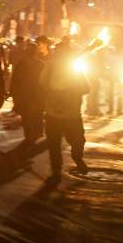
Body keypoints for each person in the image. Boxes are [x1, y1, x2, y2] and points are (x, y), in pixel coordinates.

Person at [39, 36, 89, 185]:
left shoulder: (72, 68)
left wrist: (66, 91)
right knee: (58, 143)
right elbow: (42, 83)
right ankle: (60, 168)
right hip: (60, 114)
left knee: (69, 142)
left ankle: (71, 161)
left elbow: (86, 87)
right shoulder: (53, 66)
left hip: (66, 113)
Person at [11, 40, 46, 144]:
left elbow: (15, 80)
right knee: (29, 115)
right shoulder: (25, 64)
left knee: (31, 115)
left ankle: (32, 134)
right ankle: (32, 134)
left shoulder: (39, 64)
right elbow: (15, 80)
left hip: (32, 95)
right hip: (27, 95)